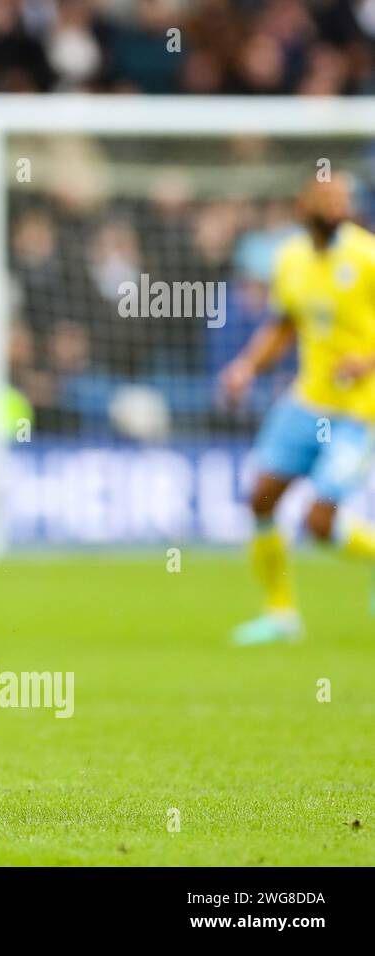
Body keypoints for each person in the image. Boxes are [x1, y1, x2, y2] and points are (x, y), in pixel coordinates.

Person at [221, 175, 375, 645]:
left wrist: (368, 361)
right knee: (261, 499)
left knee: (318, 522)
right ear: (303, 205)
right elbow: (283, 326)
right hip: (306, 401)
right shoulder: (288, 259)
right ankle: (281, 614)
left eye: (342, 202)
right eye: (327, 200)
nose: (336, 209)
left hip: (359, 412)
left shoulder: (367, 256)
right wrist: (246, 367)